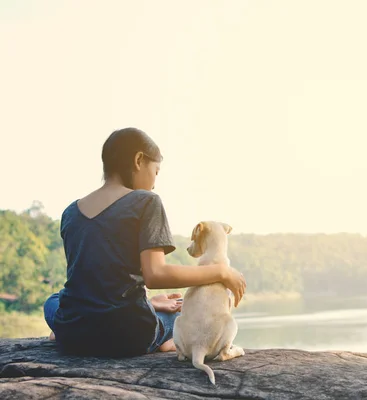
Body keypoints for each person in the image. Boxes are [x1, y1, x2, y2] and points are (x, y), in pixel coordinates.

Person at [43, 127, 246, 357]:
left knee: (53, 301)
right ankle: (164, 339)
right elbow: (156, 274)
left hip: (73, 331)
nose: (154, 184)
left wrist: (149, 302)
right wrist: (221, 272)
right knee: (178, 316)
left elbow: (92, 283)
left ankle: (61, 332)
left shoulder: (70, 212)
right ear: (139, 160)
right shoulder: (146, 202)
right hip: (128, 333)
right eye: (156, 172)